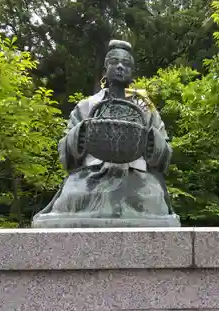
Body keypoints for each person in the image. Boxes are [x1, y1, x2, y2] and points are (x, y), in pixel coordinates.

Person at [32, 40, 179, 227]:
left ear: (132, 71)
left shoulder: (145, 108)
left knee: (153, 200)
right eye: (114, 62)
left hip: (136, 176)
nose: (120, 67)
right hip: (91, 176)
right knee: (70, 197)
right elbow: (65, 147)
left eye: (126, 64)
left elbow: (165, 147)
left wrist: (153, 142)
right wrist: (79, 136)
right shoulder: (86, 106)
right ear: (105, 68)